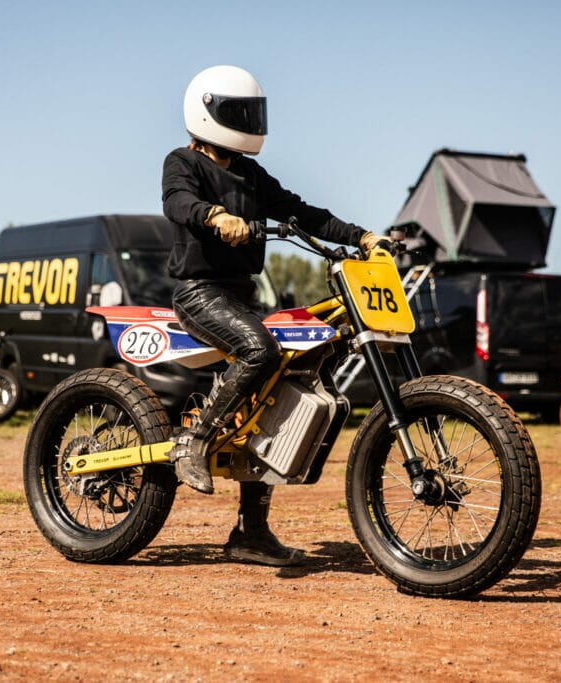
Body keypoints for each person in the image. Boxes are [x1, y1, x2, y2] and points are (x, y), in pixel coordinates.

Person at [161, 65, 383, 566]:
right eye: (238, 112)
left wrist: (362, 237)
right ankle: (192, 442)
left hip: (242, 295)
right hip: (200, 293)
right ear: (207, 111)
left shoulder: (250, 174)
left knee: (279, 392)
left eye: (251, 112)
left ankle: (250, 534)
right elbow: (179, 202)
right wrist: (216, 216)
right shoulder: (183, 163)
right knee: (260, 349)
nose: (248, 121)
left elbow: (303, 212)